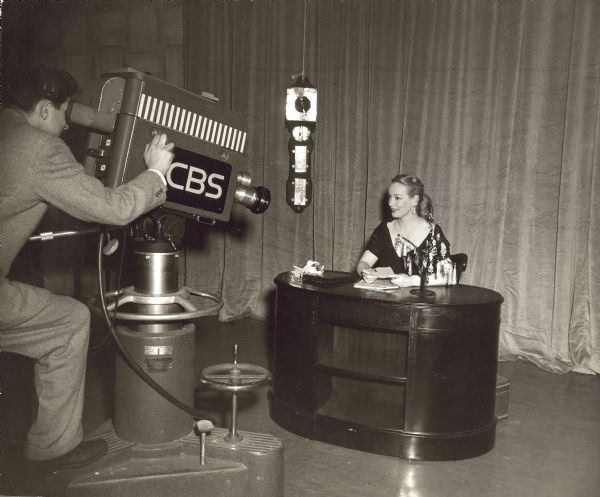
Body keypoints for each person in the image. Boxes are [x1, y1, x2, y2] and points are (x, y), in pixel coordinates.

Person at [0, 64, 175, 470]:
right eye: (64, 114)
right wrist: (155, 172)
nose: (65, 126)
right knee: (70, 321)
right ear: (45, 109)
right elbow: (114, 208)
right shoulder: (38, 147)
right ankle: (53, 451)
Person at [356, 174, 451, 287]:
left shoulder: (432, 232)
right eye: (390, 197)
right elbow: (364, 263)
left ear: (415, 200)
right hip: (386, 300)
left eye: (397, 198)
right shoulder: (384, 228)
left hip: (419, 302)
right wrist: (367, 272)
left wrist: (413, 281)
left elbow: (447, 276)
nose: (390, 203)